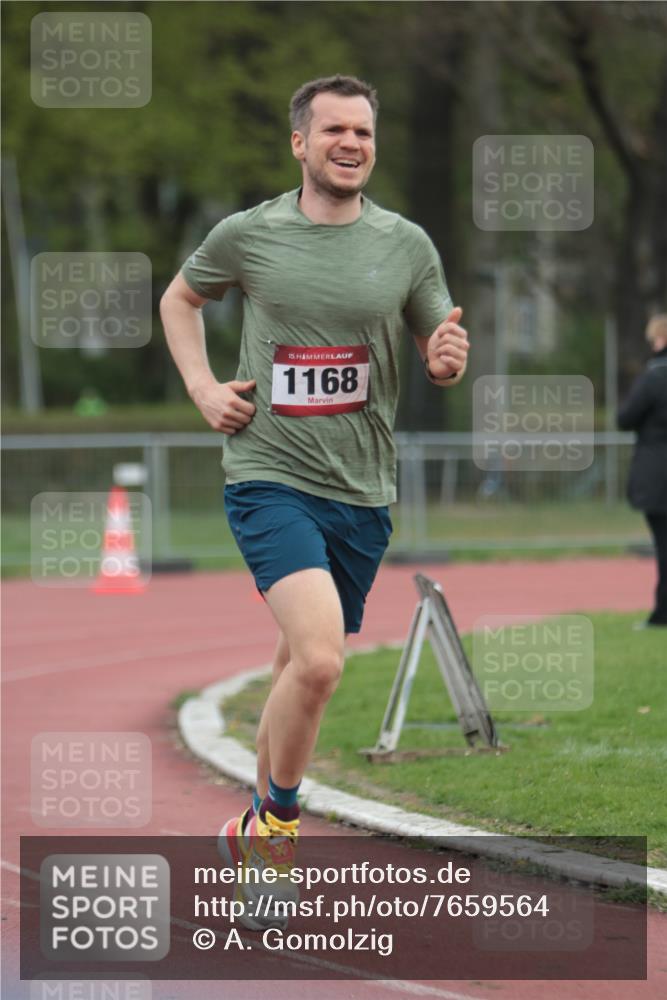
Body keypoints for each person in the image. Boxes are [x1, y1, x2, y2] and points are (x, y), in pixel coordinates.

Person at [160, 74, 468, 925]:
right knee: (323, 661)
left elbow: (438, 342)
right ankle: (276, 835)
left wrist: (446, 358)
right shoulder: (249, 235)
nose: (350, 143)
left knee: (296, 665)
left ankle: (253, 820)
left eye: (363, 132)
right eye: (333, 129)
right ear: (299, 143)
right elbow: (180, 299)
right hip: (269, 476)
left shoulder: (405, 244)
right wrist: (201, 388)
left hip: (362, 489)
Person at [618, 314, 667, 628]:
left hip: (658, 475)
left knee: (664, 546)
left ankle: (663, 613)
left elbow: (625, 418)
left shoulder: (654, 376)